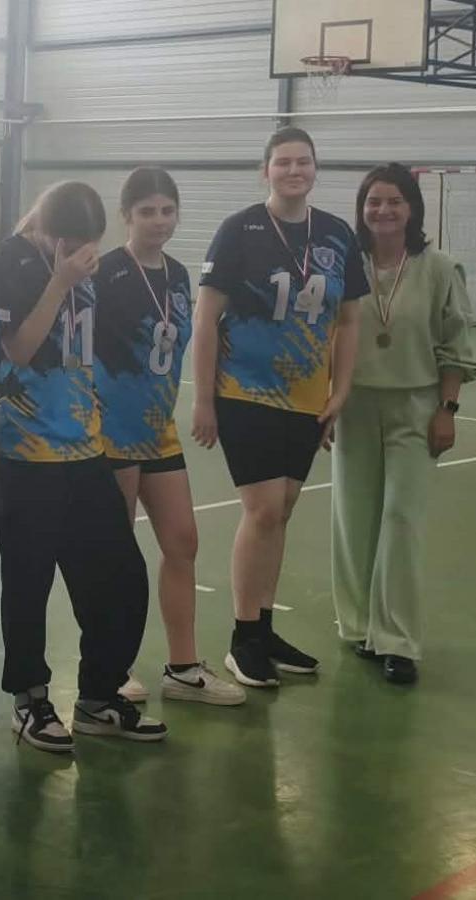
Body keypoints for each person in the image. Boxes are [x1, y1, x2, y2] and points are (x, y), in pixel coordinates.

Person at [191, 127, 370, 690]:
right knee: (264, 509)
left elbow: (349, 320)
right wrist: (203, 397)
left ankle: (263, 629)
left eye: (304, 162)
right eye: (284, 162)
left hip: (306, 397)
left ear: (315, 169)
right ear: (265, 170)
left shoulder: (337, 233)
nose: (294, 170)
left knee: (284, 507)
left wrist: (339, 390)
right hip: (245, 391)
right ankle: (243, 637)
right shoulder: (240, 229)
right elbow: (205, 317)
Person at [0, 181, 164, 753]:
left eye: (90, 242)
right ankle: (30, 699)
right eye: (70, 241)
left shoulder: (90, 266)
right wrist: (60, 282)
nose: (82, 251)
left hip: (85, 447)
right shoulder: (11, 260)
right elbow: (18, 349)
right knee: (29, 582)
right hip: (24, 453)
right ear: (47, 229)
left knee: (120, 575)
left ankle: (97, 695)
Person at [94, 168, 247, 707]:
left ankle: (182, 667)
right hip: (112, 431)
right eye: (147, 212)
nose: (159, 221)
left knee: (183, 541)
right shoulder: (104, 272)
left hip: (158, 431)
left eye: (167, 211)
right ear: (126, 216)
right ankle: (108, 668)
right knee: (114, 553)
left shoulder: (179, 275)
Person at [332, 163, 476, 685]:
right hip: (353, 405)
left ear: (412, 208)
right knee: (354, 517)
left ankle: (397, 640)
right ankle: (358, 626)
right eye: (374, 201)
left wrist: (447, 408)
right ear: (362, 209)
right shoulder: (346, 264)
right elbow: (328, 334)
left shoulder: (440, 268)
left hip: (416, 406)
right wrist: (329, 402)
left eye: (394, 201)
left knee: (401, 519)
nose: (384, 210)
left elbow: (455, 343)